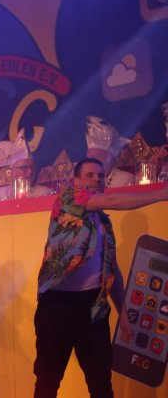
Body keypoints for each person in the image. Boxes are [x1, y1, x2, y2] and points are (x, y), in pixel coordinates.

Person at [33, 157, 168, 398]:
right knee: (47, 383)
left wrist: (124, 314)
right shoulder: (68, 198)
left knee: (101, 384)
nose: (97, 179)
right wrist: (161, 194)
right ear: (76, 181)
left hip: (93, 308)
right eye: (90, 175)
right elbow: (113, 200)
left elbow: (110, 270)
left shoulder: (103, 223)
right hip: (57, 306)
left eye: (101, 176)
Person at [85, 116, 134, 188]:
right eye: (89, 157)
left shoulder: (125, 179)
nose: (89, 162)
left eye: (94, 157)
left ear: (108, 158)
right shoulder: (84, 180)